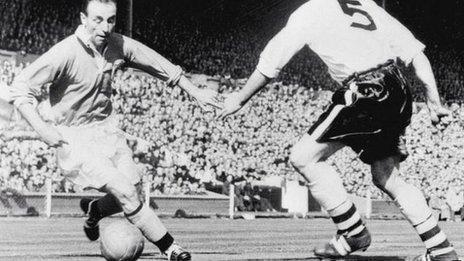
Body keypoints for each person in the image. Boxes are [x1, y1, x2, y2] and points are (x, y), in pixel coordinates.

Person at [218, 0, 459, 260]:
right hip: (398, 89)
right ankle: (441, 249)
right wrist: (434, 99)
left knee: (303, 157)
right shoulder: (366, 4)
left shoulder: (311, 9)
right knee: (387, 177)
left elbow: (272, 61)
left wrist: (240, 98)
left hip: (366, 89)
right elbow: (416, 54)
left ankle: (353, 232)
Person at [9, 0, 220, 260]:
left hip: (107, 129)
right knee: (126, 191)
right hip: (74, 136)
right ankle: (171, 248)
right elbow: (19, 87)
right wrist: (41, 129)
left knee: (133, 185)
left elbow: (158, 63)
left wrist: (195, 91)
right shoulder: (65, 52)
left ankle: (96, 210)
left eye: (111, 20)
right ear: (83, 19)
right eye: (97, 19)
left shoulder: (117, 44)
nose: (105, 26)